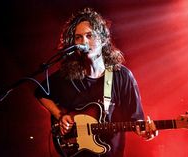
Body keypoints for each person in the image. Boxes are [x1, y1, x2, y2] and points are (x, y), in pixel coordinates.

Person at [35, 7, 158, 157]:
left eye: (89, 35)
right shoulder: (66, 76)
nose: (84, 41)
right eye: (78, 37)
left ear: (103, 39)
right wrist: (60, 115)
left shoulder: (122, 76)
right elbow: (40, 91)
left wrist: (146, 132)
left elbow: (136, 120)